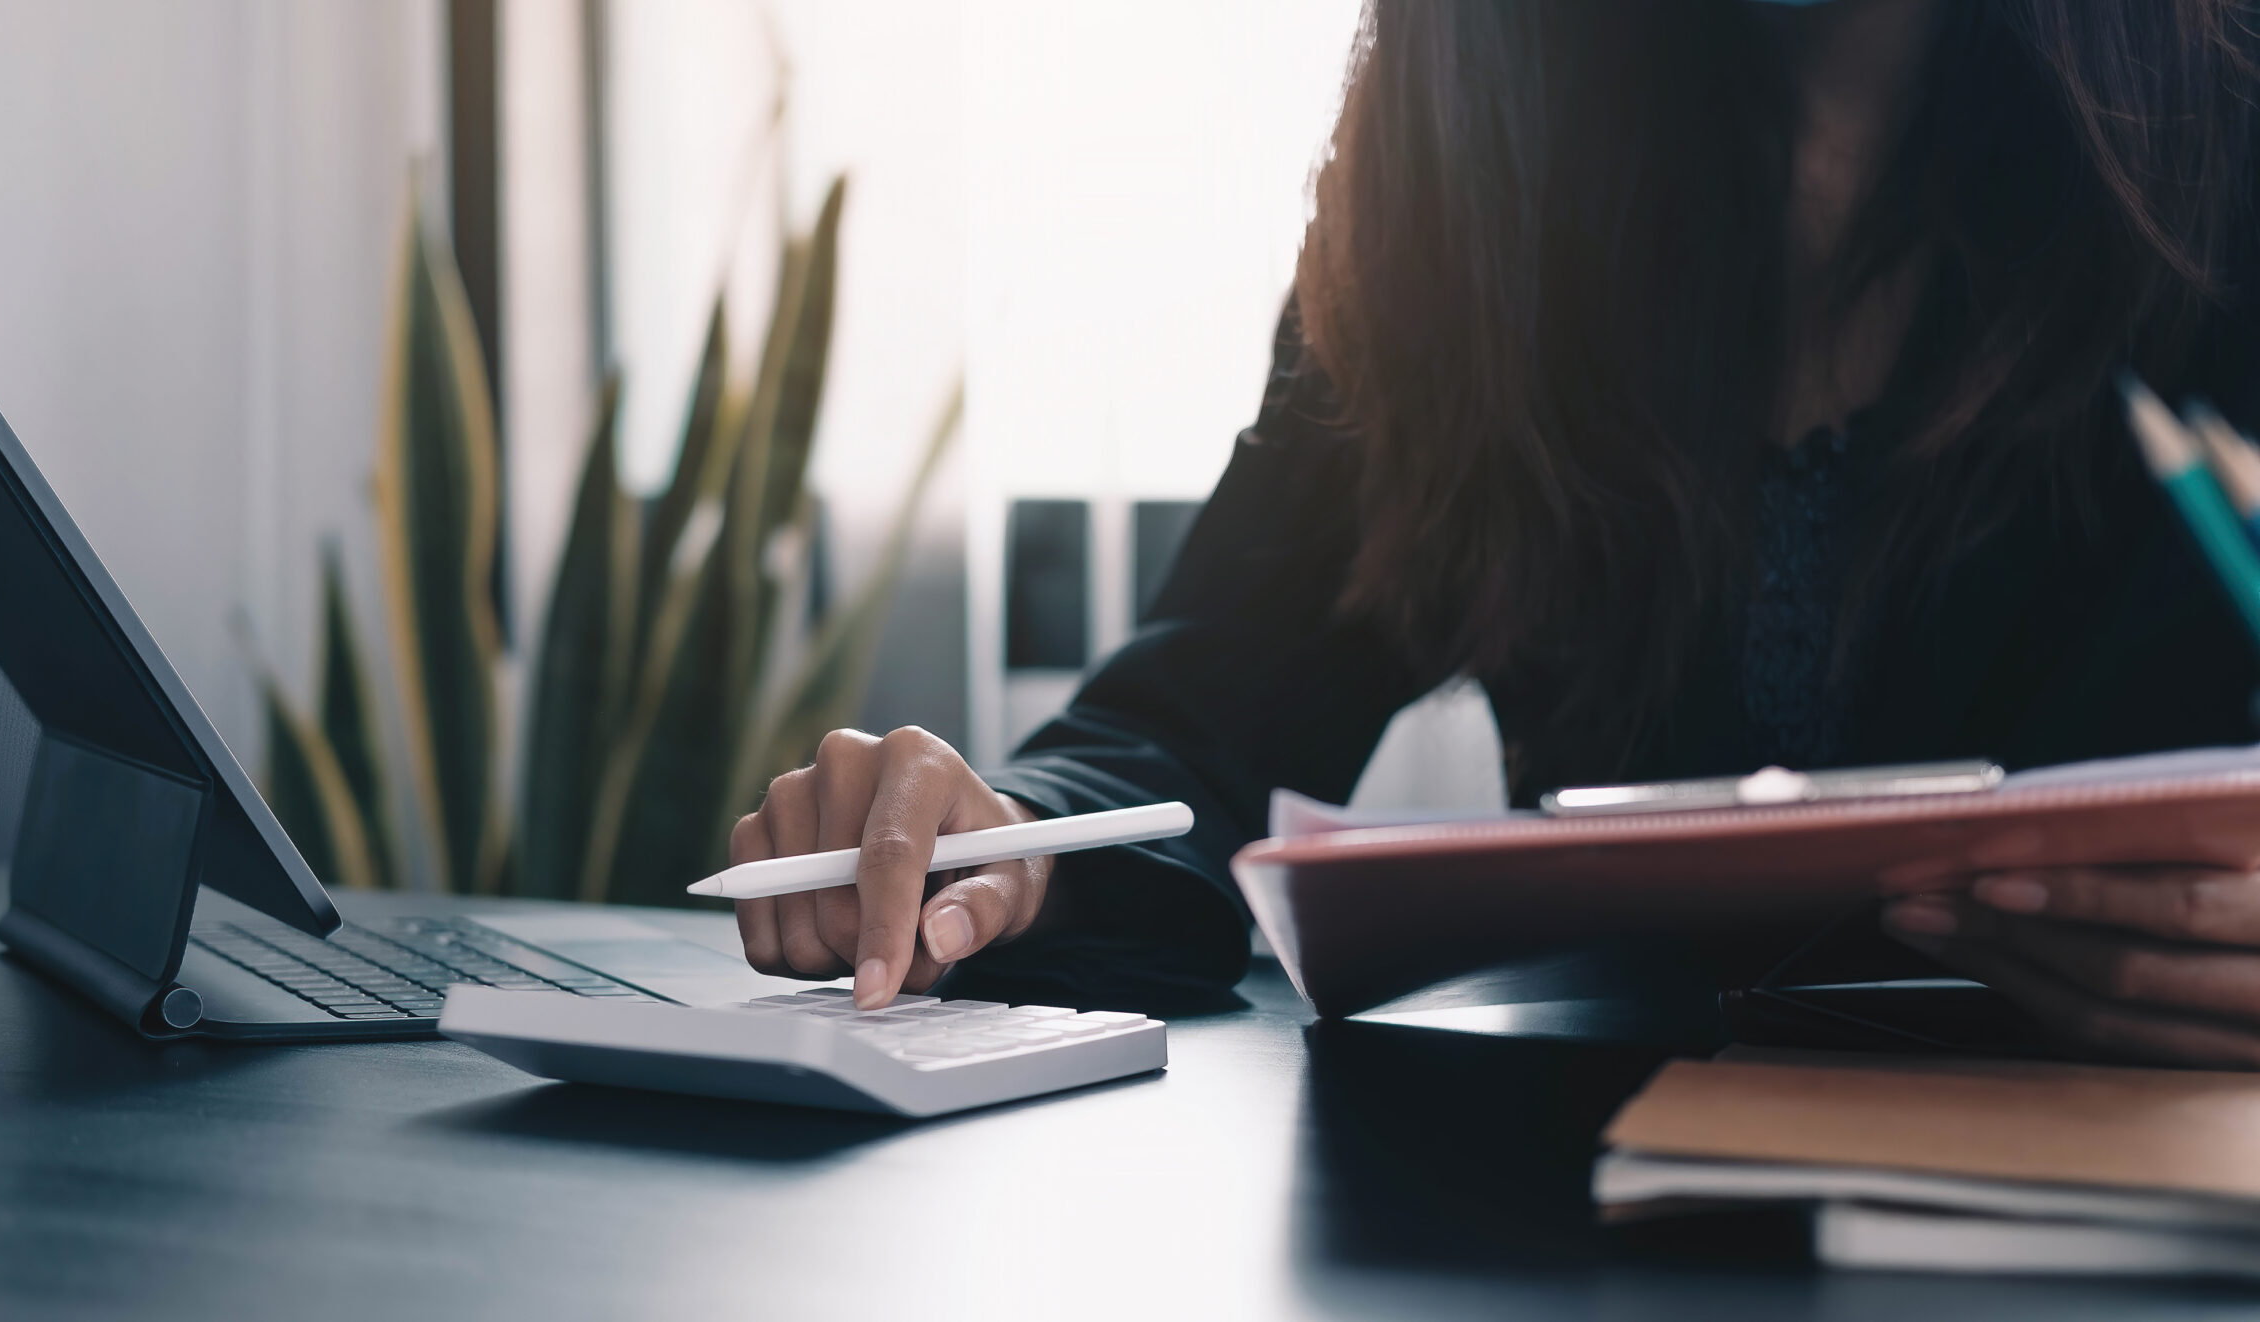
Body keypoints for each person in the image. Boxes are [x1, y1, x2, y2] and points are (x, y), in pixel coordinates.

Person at [730, 0, 2260, 1067]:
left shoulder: (2226, 152)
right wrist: (1009, 842)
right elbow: (1184, 735)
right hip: (1577, 1204)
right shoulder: (1462, 199)